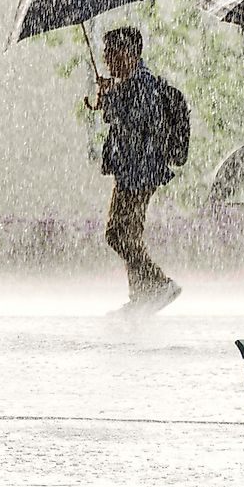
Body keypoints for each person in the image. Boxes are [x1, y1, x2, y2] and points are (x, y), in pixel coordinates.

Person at [94, 27, 181, 315]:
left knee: (117, 233)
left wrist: (111, 99)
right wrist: (109, 97)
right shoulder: (130, 83)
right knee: (127, 232)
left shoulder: (142, 84)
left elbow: (137, 122)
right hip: (130, 169)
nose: (106, 60)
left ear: (127, 54)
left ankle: (159, 283)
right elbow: (117, 117)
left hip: (140, 171)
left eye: (110, 53)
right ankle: (141, 297)